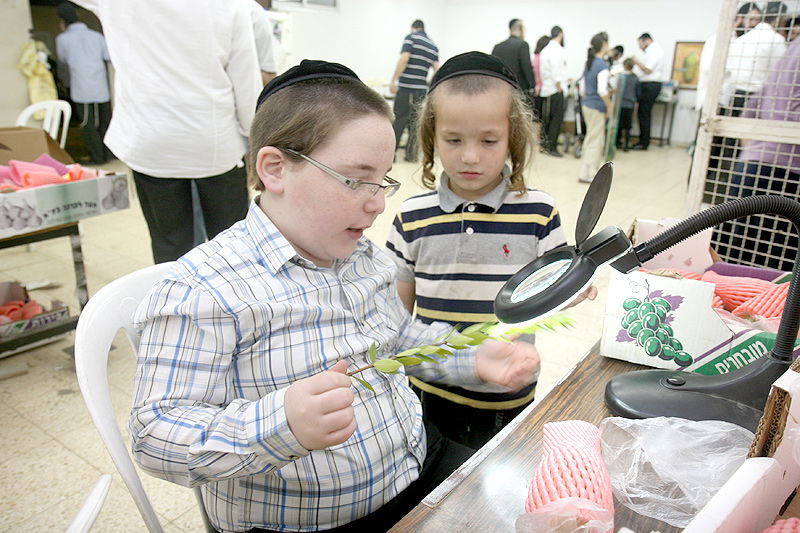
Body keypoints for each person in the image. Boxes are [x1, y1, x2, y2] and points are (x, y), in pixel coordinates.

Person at [129, 59, 543, 533]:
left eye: (383, 179)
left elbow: (397, 336)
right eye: (355, 179)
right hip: (308, 522)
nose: (377, 202)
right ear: (275, 168)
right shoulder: (205, 290)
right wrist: (279, 424)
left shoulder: (363, 256)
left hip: (419, 467)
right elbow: (153, 433)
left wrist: (469, 357)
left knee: (536, 504)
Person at [385, 51, 593, 450]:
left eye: (489, 140)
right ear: (431, 137)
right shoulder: (412, 217)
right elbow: (396, 315)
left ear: (513, 137)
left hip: (506, 387)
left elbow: (550, 294)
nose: (470, 156)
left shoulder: (539, 212)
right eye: (453, 139)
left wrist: (571, 290)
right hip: (429, 388)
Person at [74, 0, 261, 264]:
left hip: (150, 139)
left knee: (170, 246)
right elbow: (245, 79)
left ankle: (174, 302)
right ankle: (234, 302)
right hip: (213, 141)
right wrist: (256, 138)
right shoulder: (229, 4)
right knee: (231, 245)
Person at [714, 36, 800, 272]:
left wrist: (757, 148)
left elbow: (749, 110)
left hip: (752, 165)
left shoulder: (789, 50)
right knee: (776, 266)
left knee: (732, 253)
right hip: (788, 171)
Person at [55, 2, 111, 165]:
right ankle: (107, 155)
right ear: (78, 16)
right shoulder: (97, 36)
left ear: (62, 21)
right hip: (101, 88)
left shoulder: (63, 39)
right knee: (104, 123)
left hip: (82, 89)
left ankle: (97, 157)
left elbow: (63, 59)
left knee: (88, 125)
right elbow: (108, 57)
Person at [390, 19, 439, 163]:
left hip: (407, 88)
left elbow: (404, 58)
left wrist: (393, 80)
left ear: (413, 28)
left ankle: (390, 155)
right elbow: (437, 68)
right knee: (415, 122)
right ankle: (411, 155)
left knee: (399, 119)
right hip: (422, 90)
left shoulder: (411, 38)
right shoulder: (433, 45)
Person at [727, 1, 788, 116]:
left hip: (735, 96)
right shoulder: (777, 40)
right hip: (759, 98)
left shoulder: (742, 39)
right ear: (779, 18)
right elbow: (780, 73)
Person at [579, 32, 611, 183]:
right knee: (596, 140)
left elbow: (583, 88)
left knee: (590, 137)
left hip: (587, 104)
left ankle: (585, 171)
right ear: (604, 44)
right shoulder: (602, 65)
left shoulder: (589, 63)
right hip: (597, 106)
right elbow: (603, 90)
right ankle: (589, 173)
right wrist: (609, 107)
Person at [631, 32, 664, 150]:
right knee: (643, 114)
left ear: (646, 40)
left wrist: (636, 61)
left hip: (650, 85)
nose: (640, 47)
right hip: (648, 85)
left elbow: (648, 69)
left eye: (640, 43)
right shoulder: (651, 51)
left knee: (644, 114)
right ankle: (642, 141)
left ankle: (643, 143)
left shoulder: (654, 50)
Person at [492, 19, 536, 105]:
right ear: (520, 29)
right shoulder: (523, 45)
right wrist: (532, 86)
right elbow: (526, 67)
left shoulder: (497, 47)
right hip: (519, 91)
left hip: (500, 91)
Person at [539, 26, 568, 157]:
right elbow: (556, 68)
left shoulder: (545, 49)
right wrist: (559, 85)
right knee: (556, 120)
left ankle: (545, 146)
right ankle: (552, 147)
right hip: (555, 89)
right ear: (561, 34)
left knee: (547, 120)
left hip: (547, 89)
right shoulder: (557, 49)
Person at [617, 58, 638, 152]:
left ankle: (617, 143)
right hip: (630, 104)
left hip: (619, 104)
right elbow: (638, 93)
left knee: (618, 125)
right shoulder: (635, 78)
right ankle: (626, 145)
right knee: (628, 126)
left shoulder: (620, 77)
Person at [531, 34, 550, 122]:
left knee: (535, 116)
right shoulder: (542, 58)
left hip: (535, 89)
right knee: (540, 118)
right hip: (541, 89)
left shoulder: (535, 57)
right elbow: (540, 74)